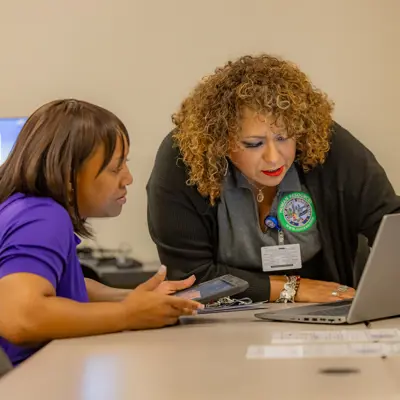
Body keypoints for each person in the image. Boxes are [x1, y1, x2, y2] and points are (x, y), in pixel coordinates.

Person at [147, 54, 400, 304]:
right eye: (254, 143)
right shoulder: (184, 160)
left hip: (326, 310)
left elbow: (390, 226)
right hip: (220, 319)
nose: (273, 157)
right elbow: (189, 279)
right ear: (220, 141)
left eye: (283, 138)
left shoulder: (326, 145)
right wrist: (291, 289)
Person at [0, 99, 203, 366]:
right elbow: (20, 316)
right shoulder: (44, 217)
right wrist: (127, 314)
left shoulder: (21, 208)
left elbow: (60, 283)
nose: (128, 178)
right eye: (116, 167)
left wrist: (132, 298)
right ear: (68, 175)